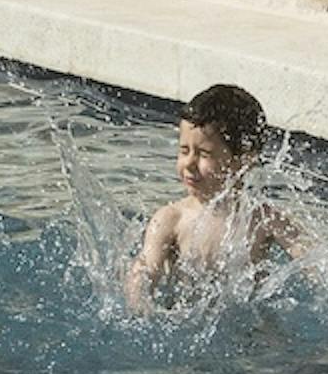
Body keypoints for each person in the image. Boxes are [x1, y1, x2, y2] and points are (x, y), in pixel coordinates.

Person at [122, 81, 294, 311]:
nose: (189, 164)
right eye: (184, 150)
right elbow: (146, 266)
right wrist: (139, 299)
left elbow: (314, 255)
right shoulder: (171, 219)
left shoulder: (262, 219)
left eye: (203, 153)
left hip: (251, 332)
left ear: (244, 159)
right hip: (185, 319)